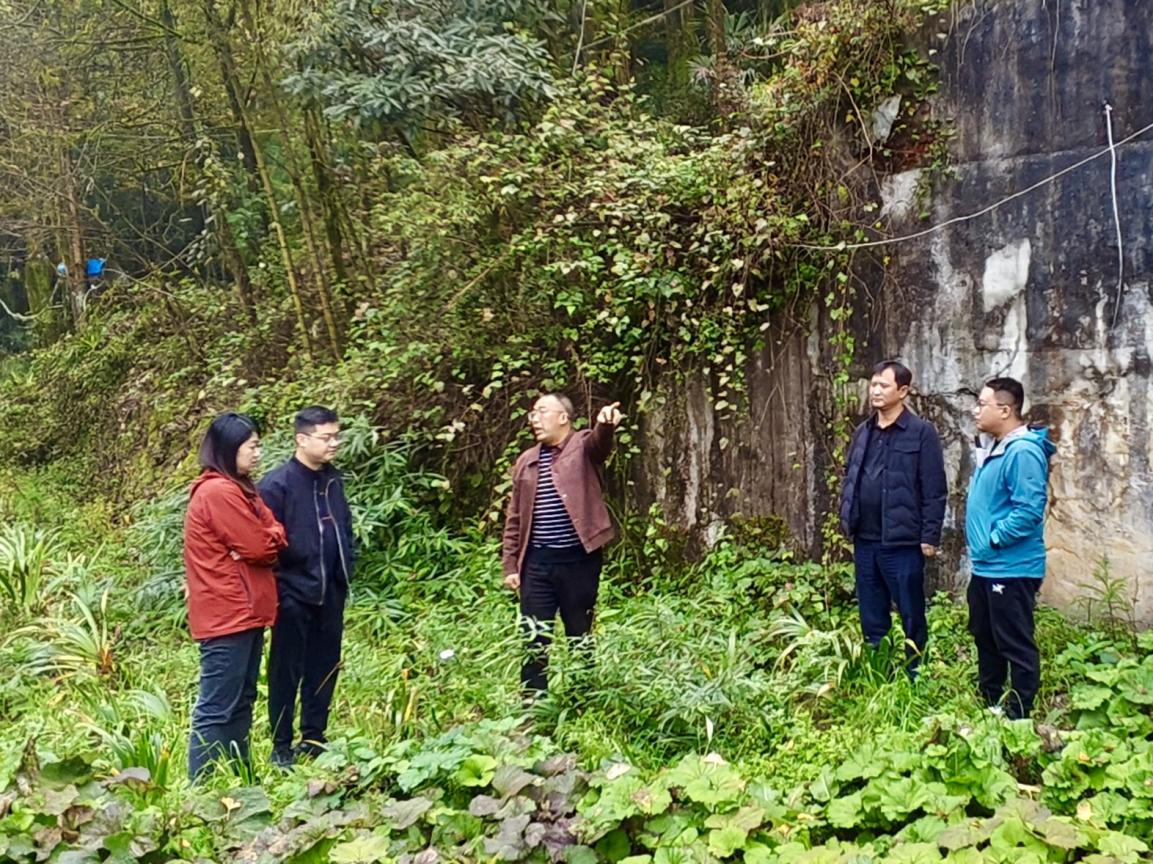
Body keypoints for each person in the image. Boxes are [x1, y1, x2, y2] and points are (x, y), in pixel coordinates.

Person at [184, 412, 287, 781]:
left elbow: (272, 533)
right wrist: (264, 541)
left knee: (242, 700)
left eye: (258, 446)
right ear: (230, 449)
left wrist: (265, 539)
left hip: (244, 611)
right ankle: (200, 786)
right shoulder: (219, 492)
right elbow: (261, 546)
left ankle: (241, 778)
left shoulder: (240, 487)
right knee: (217, 705)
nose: (258, 453)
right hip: (226, 613)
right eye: (251, 446)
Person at [502, 394, 623, 695]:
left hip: (579, 563)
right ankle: (533, 706)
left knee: (579, 634)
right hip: (537, 565)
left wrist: (606, 425)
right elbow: (515, 517)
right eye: (532, 414)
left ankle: (582, 700)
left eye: (542, 412)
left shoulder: (582, 446)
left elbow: (600, 444)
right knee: (534, 637)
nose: (534, 419)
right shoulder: (527, 461)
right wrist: (510, 564)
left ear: (563, 417)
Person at [258, 407, 354, 769]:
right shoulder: (276, 485)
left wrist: (346, 568)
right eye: (326, 437)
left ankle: (314, 738)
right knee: (286, 670)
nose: (334, 443)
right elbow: (265, 544)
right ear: (301, 439)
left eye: (336, 436)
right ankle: (281, 744)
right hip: (292, 594)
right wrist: (281, 589)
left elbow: (344, 528)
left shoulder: (333, 480)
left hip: (331, 591)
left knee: (324, 666)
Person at [840, 360, 947, 672]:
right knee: (871, 614)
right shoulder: (863, 432)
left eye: (883, 386)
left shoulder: (921, 433)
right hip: (866, 540)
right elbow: (851, 478)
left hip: (902, 543)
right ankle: (879, 673)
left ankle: (916, 673)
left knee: (911, 613)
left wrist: (929, 535)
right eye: (873, 384)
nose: (875, 391)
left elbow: (934, 487)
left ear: (903, 391)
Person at [966, 377, 1054, 719]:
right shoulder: (997, 447)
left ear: (1004, 410)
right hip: (987, 566)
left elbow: (1029, 510)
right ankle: (990, 702)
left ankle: (1019, 712)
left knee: (1013, 640)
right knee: (985, 635)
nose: (976, 411)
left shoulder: (1023, 451)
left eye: (982, 404)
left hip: (1011, 567)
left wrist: (994, 539)